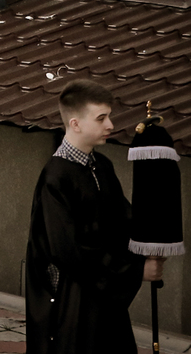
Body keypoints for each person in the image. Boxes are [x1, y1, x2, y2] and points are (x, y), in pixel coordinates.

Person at [25, 80, 156, 354]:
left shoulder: (102, 165)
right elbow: (68, 251)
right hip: (74, 300)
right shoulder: (55, 178)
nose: (110, 125)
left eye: (109, 116)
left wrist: (153, 242)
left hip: (102, 291)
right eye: (101, 118)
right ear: (75, 124)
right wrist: (133, 271)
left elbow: (123, 220)